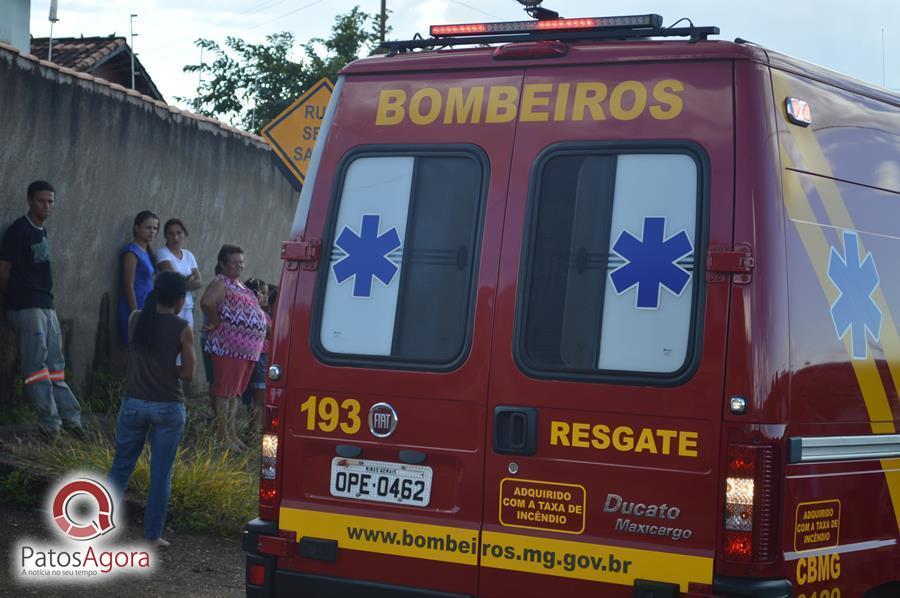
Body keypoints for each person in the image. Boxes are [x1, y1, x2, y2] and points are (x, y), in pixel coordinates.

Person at [108, 271, 195, 548]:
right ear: (180, 300)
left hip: (133, 403)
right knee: (161, 474)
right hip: (168, 407)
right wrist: (170, 369)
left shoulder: (136, 319)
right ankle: (152, 536)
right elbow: (189, 373)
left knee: (121, 467)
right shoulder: (182, 326)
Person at [0, 181, 84, 439]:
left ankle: (72, 421)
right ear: (30, 201)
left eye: (50, 201)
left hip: (46, 305)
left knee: (56, 367)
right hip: (26, 306)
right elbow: (4, 268)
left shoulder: (41, 231)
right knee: (36, 366)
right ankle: (50, 425)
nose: (46, 206)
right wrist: (10, 301)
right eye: (41, 201)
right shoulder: (19, 230)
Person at [200, 245, 266, 450]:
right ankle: (222, 436)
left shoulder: (240, 286)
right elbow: (207, 302)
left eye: (241, 262)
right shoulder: (221, 282)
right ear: (222, 264)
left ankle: (231, 433)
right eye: (234, 262)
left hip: (245, 352)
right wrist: (217, 322)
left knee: (234, 394)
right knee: (224, 393)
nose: (239, 266)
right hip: (228, 348)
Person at [117, 211, 159, 345]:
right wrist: (135, 314)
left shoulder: (147, 252)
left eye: (155, 228)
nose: (152, 231)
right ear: (137, 228)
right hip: (134, 309)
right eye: (148, 227)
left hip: (147, 308)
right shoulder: (131, 252)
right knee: (135, 352)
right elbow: (128, 285)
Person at [155, 218, 202, 329]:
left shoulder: (188, 255)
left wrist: (182, 282)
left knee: (186, 342)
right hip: (170, 307)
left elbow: (199, 282)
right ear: (165, 236)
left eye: (179, 233)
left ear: (184, 234)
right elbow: (174, 282)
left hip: (188, 306)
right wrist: (189, 280)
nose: (175, 237)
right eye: (170, 233)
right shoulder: (162, 253)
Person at [240, 279, 272, 426]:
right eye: (263, 294)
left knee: (256, 398)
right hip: (261, 356)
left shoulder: (258, 312)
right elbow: (270, 332)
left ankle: (254, 427)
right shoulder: (258, 313)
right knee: (259, 398)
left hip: (257, 356)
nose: (266, 297)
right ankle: (256, 430)